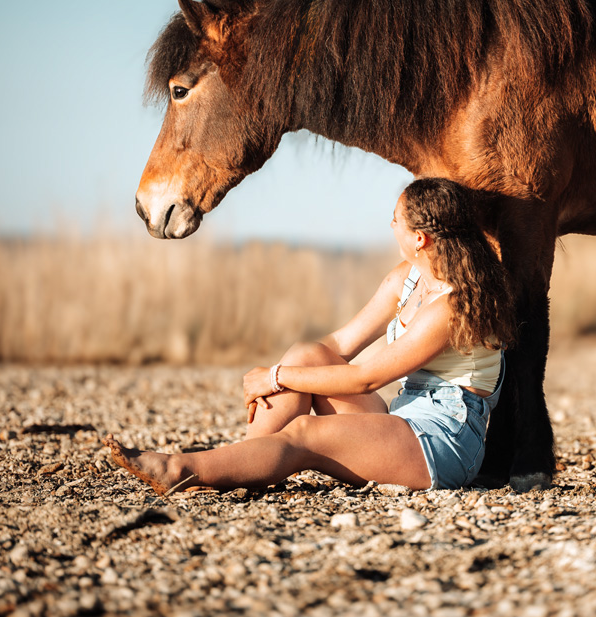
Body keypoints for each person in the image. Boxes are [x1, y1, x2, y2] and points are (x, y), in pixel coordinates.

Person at [103, 178, 514, 493]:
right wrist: (289, 367)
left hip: (443, 441)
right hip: (404, 417)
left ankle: (182, 470)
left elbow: (366, 379)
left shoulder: (452, 307)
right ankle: (246, 462)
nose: (391, 225)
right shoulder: (406, 279)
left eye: (396, 218)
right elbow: (339, 346)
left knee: (304, 436)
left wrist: (275, 378)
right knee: (307, 353)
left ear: (419, 238)